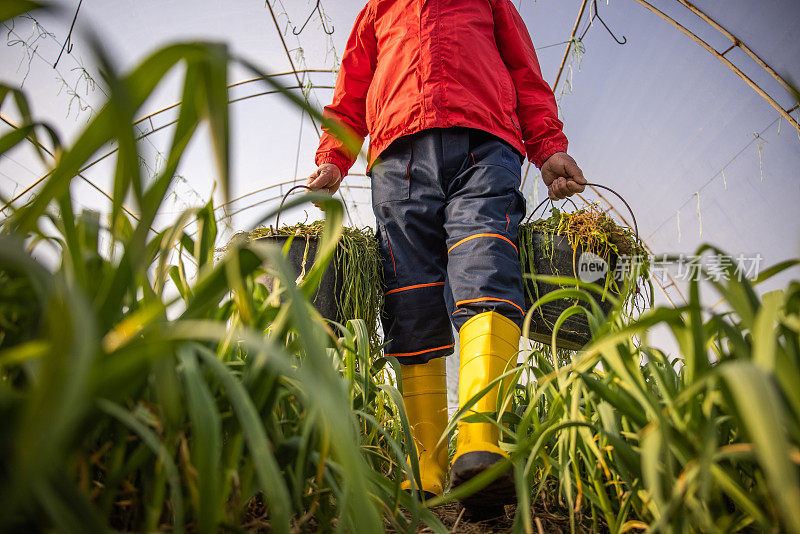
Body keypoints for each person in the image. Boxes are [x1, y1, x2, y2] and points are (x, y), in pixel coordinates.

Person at [306, 0, 586, 516]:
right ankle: (427, 473)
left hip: (484, 145)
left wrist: (549, 147)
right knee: (410, 300)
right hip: (398, 161)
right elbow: (350, 95)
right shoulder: (377, 9)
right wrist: (332, 158)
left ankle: (479, 444)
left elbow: (526, 75)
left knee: (486, 267)